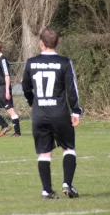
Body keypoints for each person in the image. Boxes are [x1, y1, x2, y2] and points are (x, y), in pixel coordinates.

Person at [22, 27, 82, 199]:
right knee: (68, 147)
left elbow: (25, 87)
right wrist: (76, 111)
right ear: (58, 42)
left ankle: (46, 190)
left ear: (41, 43)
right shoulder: (64, 62)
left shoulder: (31, 62)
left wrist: (32, 103)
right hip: (60, 113)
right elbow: (72, 90)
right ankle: (67, 184)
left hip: (39, 114)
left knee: (44, 152)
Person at [0, 41, 21, 137]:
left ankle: (17, 133)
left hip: (3, 87)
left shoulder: (3, 60)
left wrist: (7, 90)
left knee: (10, 110)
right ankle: (5, 125)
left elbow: (7, 75)